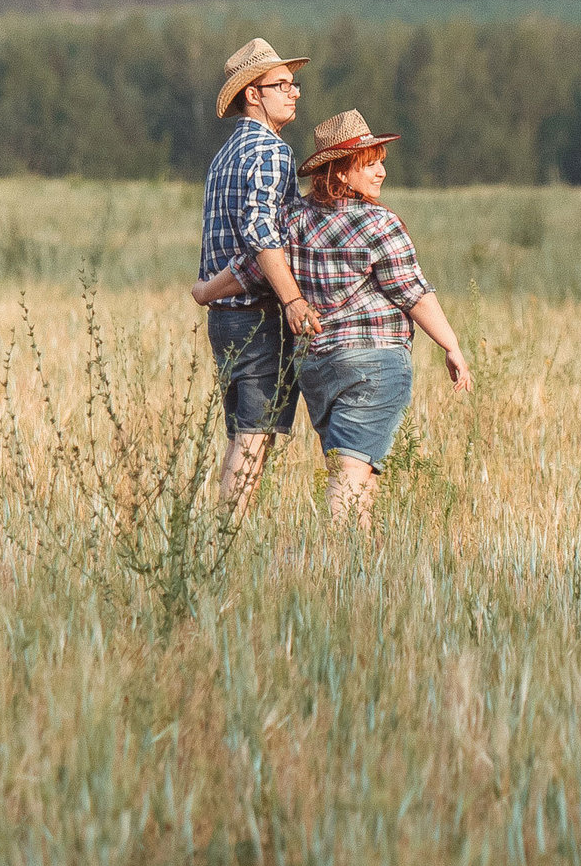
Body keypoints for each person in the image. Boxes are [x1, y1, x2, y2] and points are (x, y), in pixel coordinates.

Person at [192, 109, 472, 527]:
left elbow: (253, 269)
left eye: (380, 161)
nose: (380, 172)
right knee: (353, 476)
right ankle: (338, 557)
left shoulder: (291, 219)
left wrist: (204, 292)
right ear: (340, 173)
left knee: (354, 471)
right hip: (374, 366)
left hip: (319, 367)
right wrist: (451, 346)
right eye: (369, 163)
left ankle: (354, 573)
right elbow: (413, 293)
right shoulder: (380, 224)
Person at [198, 37, 319, 514]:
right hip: (256, 316)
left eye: (294, 84)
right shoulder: (272, 152)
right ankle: (226, 541)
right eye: (282, 84)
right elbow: (260, 232)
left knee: (245, 433)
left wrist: (209, 291)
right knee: (253, 437)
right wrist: (291, 298)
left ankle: (225, 538)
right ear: (253, 93)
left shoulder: (225, 154)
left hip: (226, 318)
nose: (294, 93)